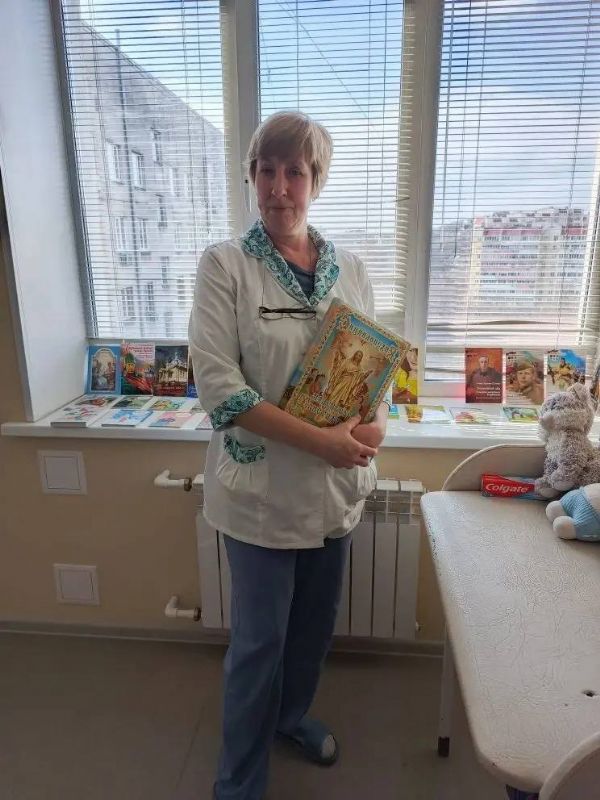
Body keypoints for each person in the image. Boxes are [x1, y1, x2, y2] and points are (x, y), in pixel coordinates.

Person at [188, 111, 389, 800]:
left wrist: (376, 425)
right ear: (251, 176)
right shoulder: (225, 266)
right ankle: (238, 781)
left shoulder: (350, 268)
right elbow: (221, 389)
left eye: (294, 172)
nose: (279, 187)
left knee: (311, 631)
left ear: (316, 181)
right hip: (260, 496)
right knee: (258, 645)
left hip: (334, 490)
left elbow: (373, 367)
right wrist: (323, 442)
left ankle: (291, 718)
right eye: (267, 171)